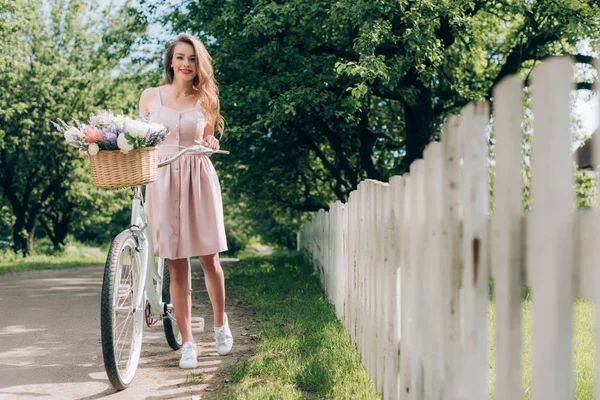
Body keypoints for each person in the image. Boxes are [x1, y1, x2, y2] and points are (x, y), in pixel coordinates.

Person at [138, 34, 233, 369]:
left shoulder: (205, 98)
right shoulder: (151, 96)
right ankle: (188, 343)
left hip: (197, 177)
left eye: (192, 59)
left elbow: (207, 137)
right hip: (161, 178)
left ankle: (220, 325)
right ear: (170, 61)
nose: (186, 65)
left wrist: (210, 140)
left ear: (198, 64)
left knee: (209, 259)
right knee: (176, 265)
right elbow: (141, 138)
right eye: (180, 58)